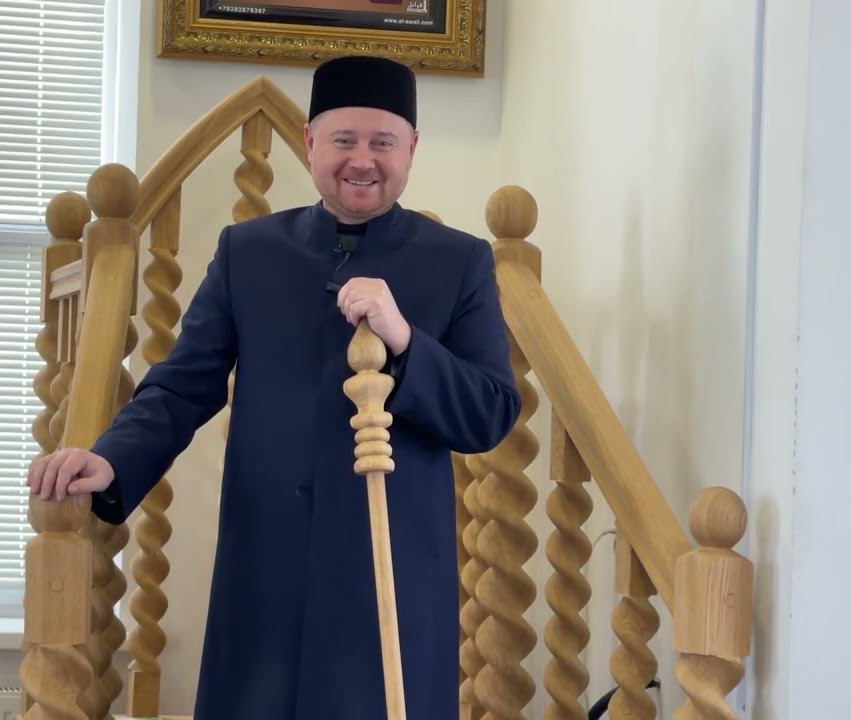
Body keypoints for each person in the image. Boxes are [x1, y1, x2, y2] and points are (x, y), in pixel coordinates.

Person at [28, 55, 520, 720]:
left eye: (383, 142)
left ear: (412, 149)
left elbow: (490, 411)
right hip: (268, 557)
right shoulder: (249, 251)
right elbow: (182, 385)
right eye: (344, 140)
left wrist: (405, 339)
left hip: (391, 564)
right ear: (311, 143)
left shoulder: (459, 260)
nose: (363, 160)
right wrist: (111, 459)